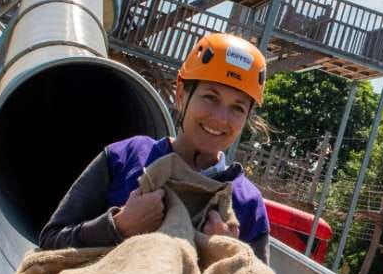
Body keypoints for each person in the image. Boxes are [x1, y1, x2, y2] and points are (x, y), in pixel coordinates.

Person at [39, 32, 272, 262]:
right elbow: (51, 241)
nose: (221, 118)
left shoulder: (247, 203)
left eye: (238, 108)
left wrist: (226, 258)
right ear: (181, 94)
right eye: (211, 97)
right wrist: (118, 226)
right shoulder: (127, 157)